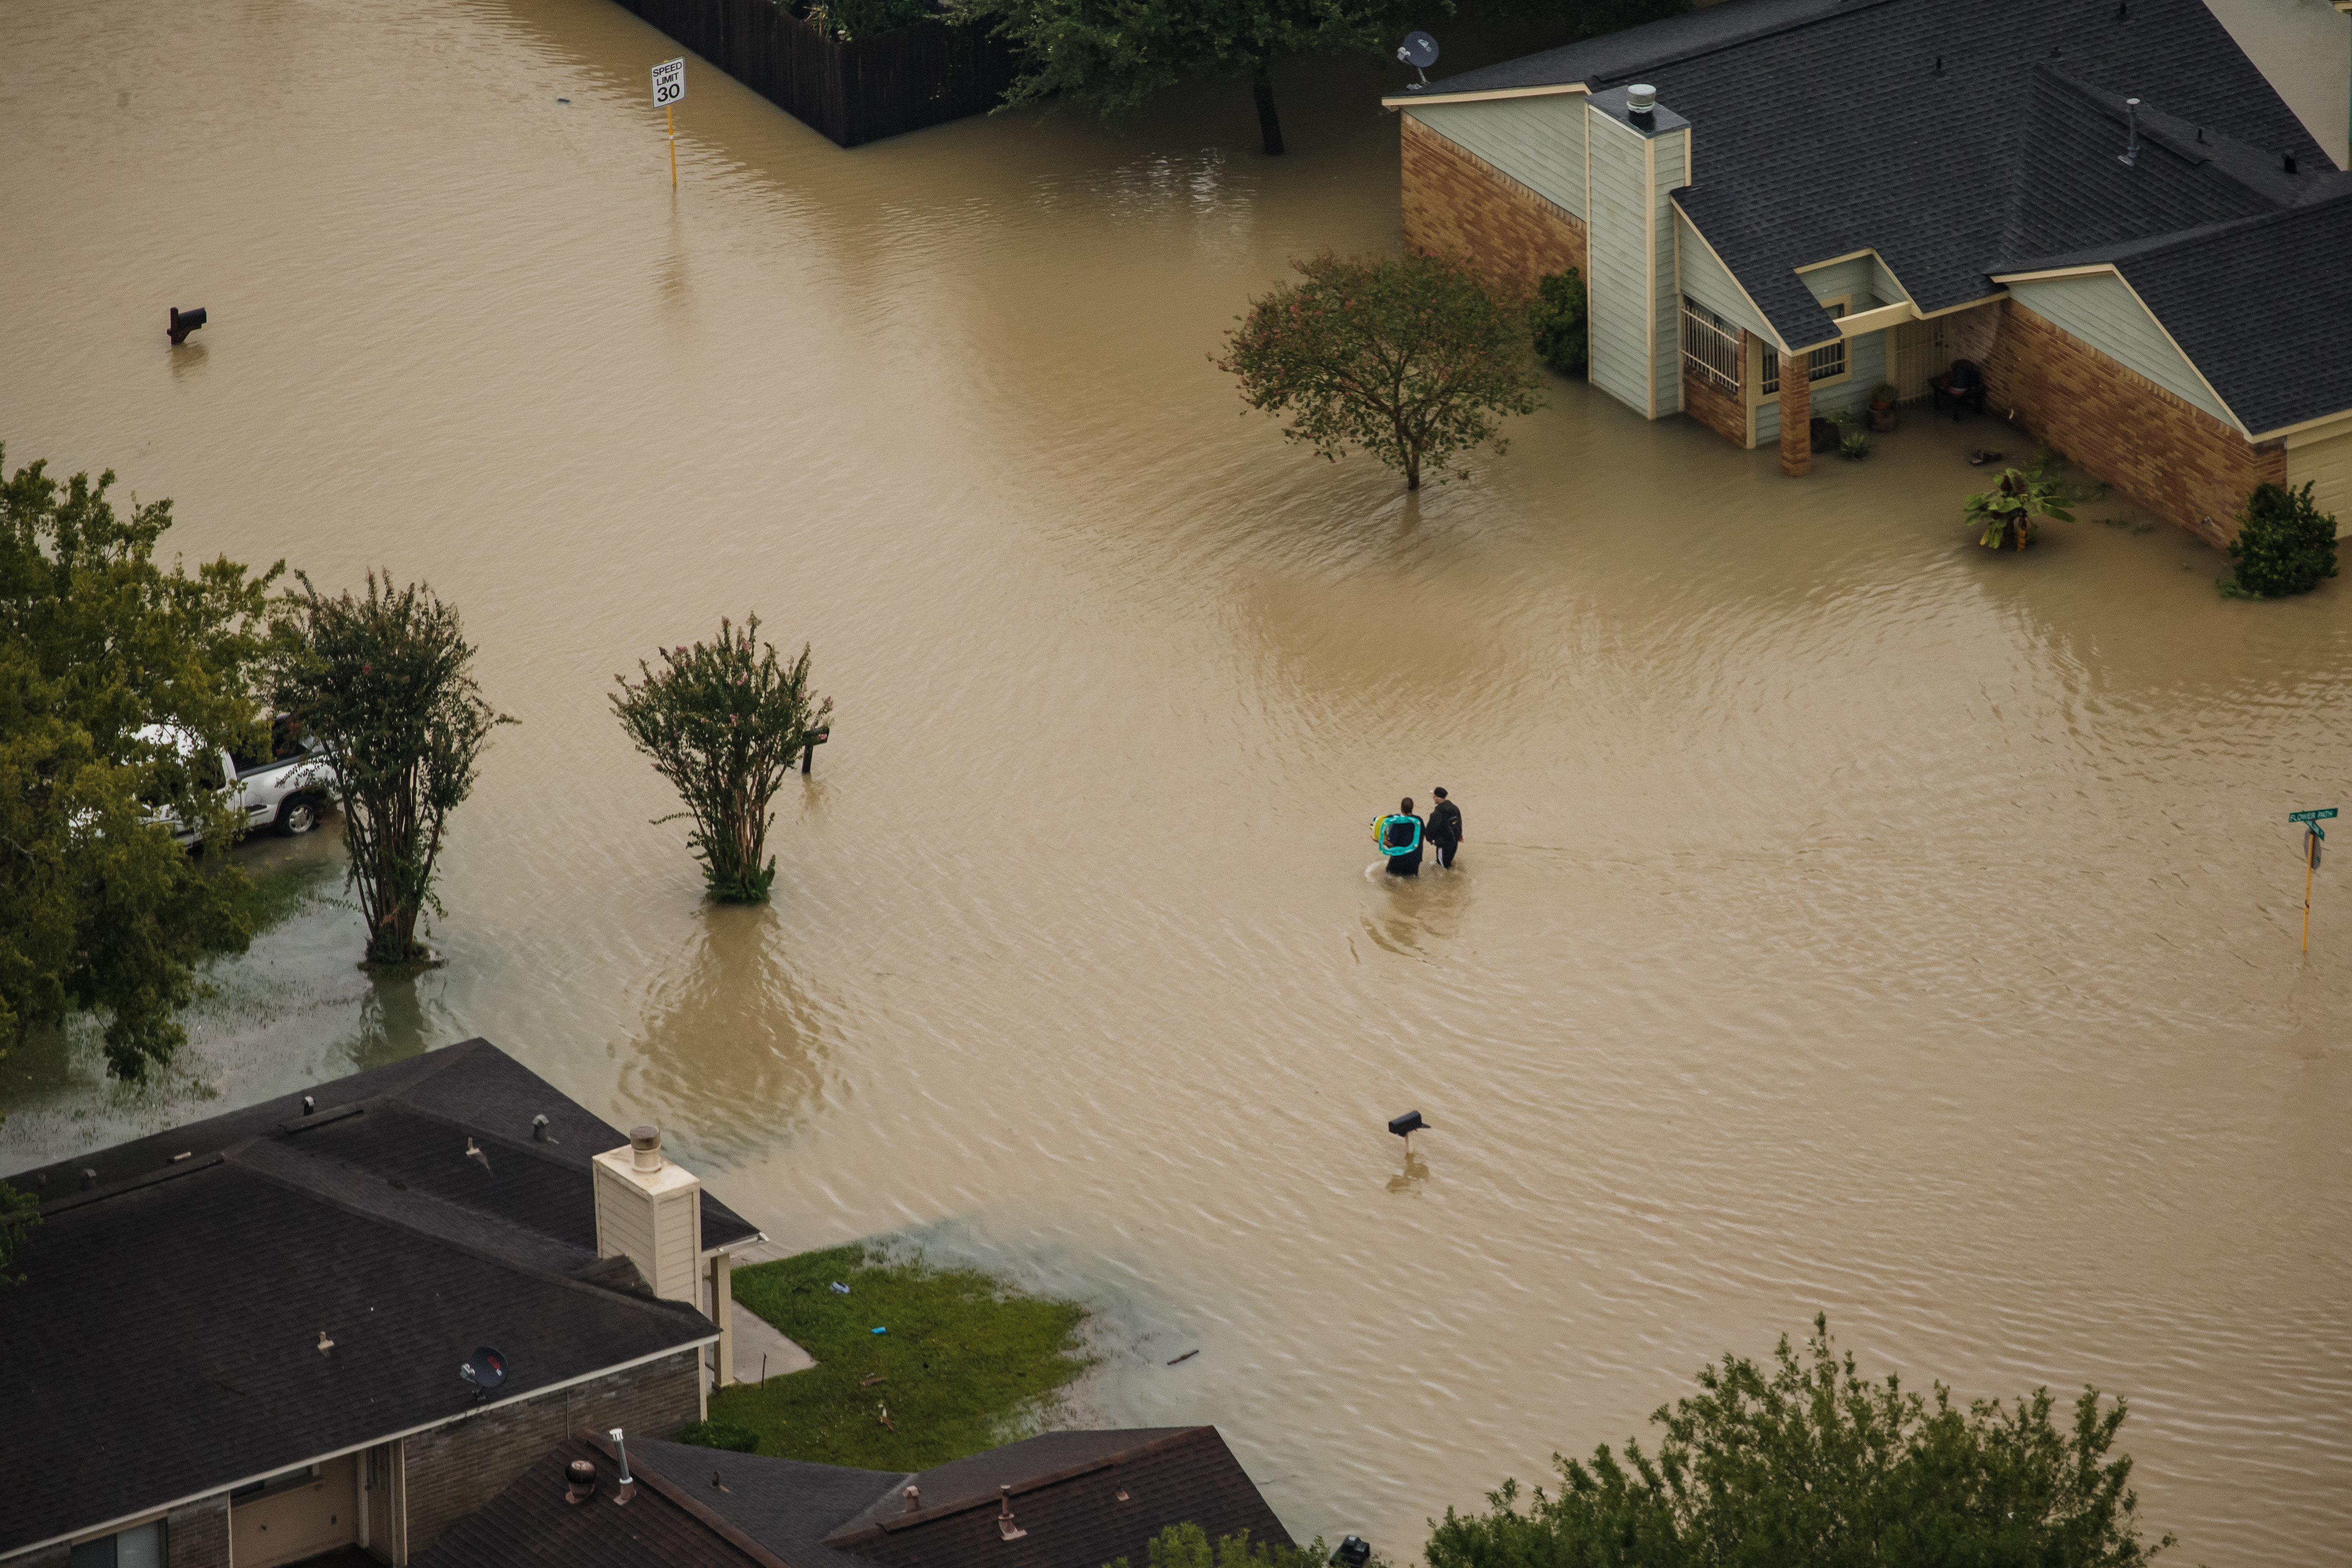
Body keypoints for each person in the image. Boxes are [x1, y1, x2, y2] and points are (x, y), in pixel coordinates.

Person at [1380, 796, 1425, 877]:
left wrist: (1377, 839)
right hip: (1415, 858)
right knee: (1412, 879)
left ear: (1401, 808)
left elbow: (1390, 843)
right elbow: (1423, 836)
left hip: (1400, 858)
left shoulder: (1398, 823)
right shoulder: (1419, 820)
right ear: (1413, 808)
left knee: (1391, 878)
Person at [1427, 787, 1462, 870]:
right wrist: (1459, 836)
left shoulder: (1439, 812)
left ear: (1438, 797)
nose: (1433, 798)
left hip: (1443, 845)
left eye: (1434, 796)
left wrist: (1429, 839)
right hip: (1454, 843)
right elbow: (1459, 823)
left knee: (1441, 868)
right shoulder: (1455, 808)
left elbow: (1432, 827)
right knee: (1448, 865)